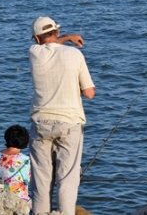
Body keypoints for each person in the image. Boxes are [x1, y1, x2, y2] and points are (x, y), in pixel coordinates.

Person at [29, 16, 95, 215]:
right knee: (67, 179)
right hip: (69, 123)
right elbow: (90, 93)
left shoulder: (33, 52)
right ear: (56, 32)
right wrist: (68, 39)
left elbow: (49, 43)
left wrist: (66, 37)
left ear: (36, 38)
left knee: (41, 181)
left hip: (40, 122)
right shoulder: (74, 55)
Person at [0, 125, 32, 203]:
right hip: (19, 199)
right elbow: (27, 180)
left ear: (6, 138)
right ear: (25, 141)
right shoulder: (26, 160)